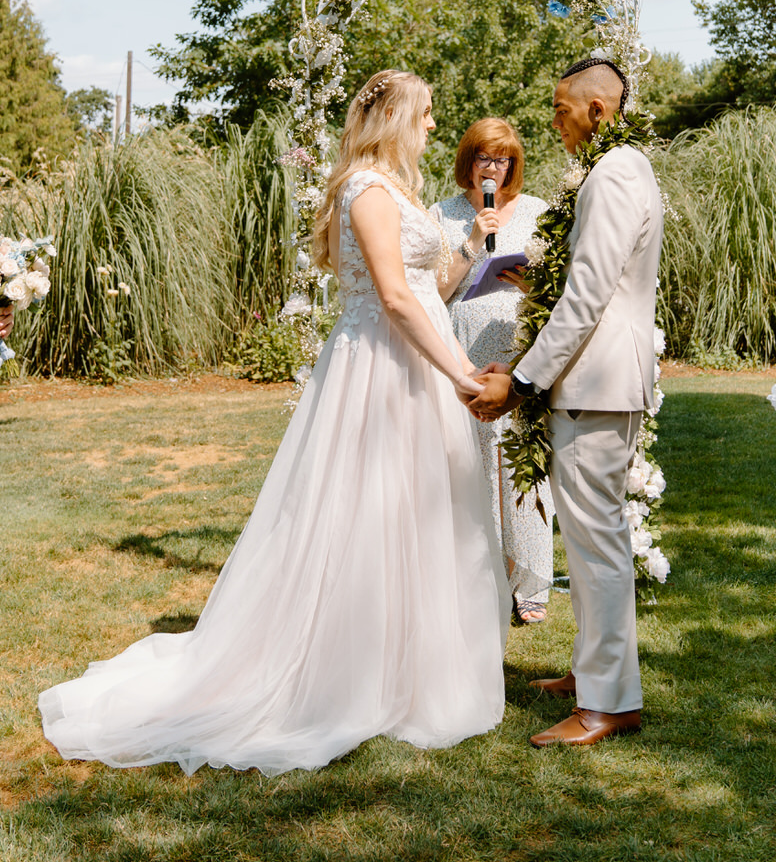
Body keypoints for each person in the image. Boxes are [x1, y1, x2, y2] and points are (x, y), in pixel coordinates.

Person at [39, 71, 510, 774]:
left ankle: (410, 664)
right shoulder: (366, 190)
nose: (435, 127)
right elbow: (394, 300)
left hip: (415, 364)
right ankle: (346, 671)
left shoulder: (398, 191)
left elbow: (428, 288)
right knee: (367, 508)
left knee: (418, 510)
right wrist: (463, 373)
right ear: (392, 117)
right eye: (428, 114)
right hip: (384, 369)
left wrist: (473, 242)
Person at [470, 57, 664, 748]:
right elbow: (587, 285)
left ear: (599, 112)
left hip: (597, 383)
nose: (553, 122)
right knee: (584, 544)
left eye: (560, 109)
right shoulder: (616, 169)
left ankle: (610, 703)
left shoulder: (614, 173)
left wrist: (521, 382)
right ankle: (592, 676)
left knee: (597, 545)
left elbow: (589, 296)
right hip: (590, 380)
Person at [431, 118, 553, 623]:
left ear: (514, 164)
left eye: (503, 159)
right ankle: (479, 579)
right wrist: (471, 244)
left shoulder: (539, 212)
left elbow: (555, 289)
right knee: (473, 462)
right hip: (465, 351)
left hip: (520, 349)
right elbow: (432, 292)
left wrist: (528, 284)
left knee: (522, 461)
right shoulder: (443, 213)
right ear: (469, 161)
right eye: (485, 158)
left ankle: (529, 584)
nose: (494, 168)